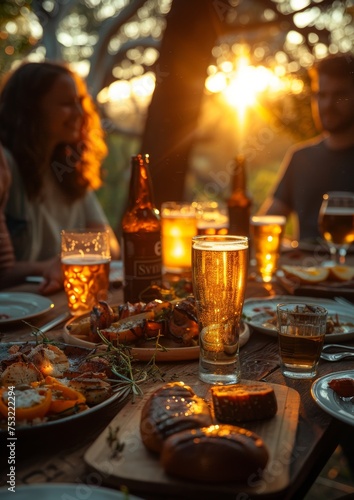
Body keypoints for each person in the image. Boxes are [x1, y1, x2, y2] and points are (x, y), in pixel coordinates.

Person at [0, 61, 119, 289]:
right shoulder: (6, 166)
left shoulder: (69, 169)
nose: (79, 113)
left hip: (59, 304)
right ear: (30, 110)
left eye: (80, 102)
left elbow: (111, 247)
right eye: (66, 104)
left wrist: (63, 262)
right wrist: (52, 265)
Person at [258, 53, 354, 243]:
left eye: (339, 95)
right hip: (306, 273)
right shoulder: (301, 158)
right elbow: (267, 225)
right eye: (321, 95)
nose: (327, 105)